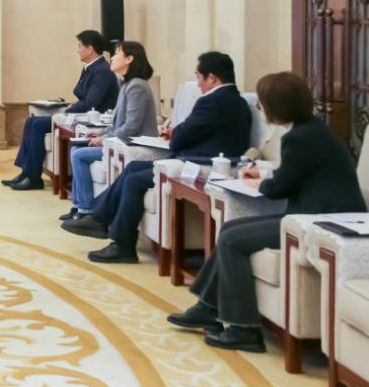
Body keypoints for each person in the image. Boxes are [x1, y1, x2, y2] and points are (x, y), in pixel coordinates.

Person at [168, 72, 366, 352]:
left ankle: (243, 328)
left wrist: (259, 183)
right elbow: (296, 175)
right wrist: (263, 176)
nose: (260, 107)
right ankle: (208, 307)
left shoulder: (299, 138)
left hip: (319, 221)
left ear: (277, 104)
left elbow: (280, 187)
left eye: (262, 102)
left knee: (232, 240)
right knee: (230, 229)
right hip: (313, 214)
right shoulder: (311, 130)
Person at [64, 51, 253, 264]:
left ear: (212, 78)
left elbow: (183, 136)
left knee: (134, 181)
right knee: (133, 167)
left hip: (202, 163)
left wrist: (176, 134)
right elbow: (197, 130)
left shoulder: (214, 101)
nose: (198, 83)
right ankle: (99, 218)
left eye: (198, 77)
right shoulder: (232, 100)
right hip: (199, 157)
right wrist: (177, 133)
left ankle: (122, 244)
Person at [4, 30, 119, 191]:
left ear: (90, 49)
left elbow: (91, 103)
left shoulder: (103, 71)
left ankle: (33, 177)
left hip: (91, 118)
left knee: (37, 125)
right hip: (80, 114)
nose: (77, 50)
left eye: (79, 46)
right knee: (31, 121)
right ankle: (26, 173)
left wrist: (68, 109)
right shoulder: (90, 68)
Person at [63, 41, 158, 222]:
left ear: (129, 59)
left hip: (131, 145)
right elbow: (118, 122)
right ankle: (78, 206)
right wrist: (101, 135)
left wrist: (104, 140)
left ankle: (86, 210)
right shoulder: (126, 84)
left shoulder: (137, 86)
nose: (112, 58)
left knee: (78, 155)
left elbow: (131, 127)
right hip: (120, 142)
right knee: (76, 148)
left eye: (116, 54)